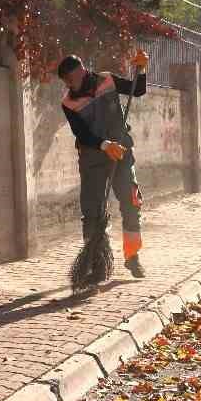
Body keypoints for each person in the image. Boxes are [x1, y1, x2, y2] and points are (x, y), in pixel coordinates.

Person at [58, 49, 150, 279]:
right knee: (93, 212)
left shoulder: (106, 79)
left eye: (74, 78)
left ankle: (132, 256)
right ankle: (97, 265)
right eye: (67, 81)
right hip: (93, 160)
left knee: (131, 202)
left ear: (82, 70)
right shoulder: (69, 103)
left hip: (122, 153)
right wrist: (103, 145)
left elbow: (137, 90)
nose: (71, 84)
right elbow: (82, 134)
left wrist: (142, 69)